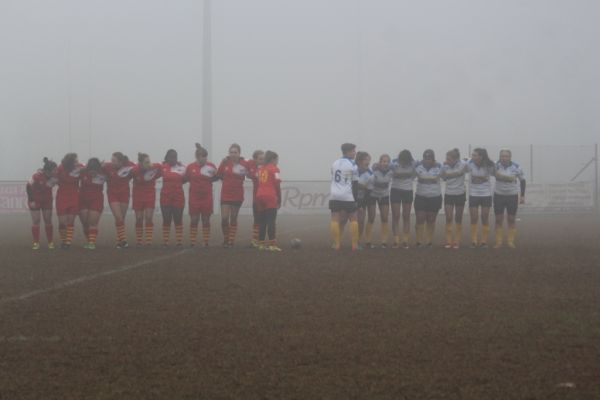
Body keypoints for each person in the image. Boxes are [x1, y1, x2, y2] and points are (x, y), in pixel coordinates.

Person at [217, 143, 249, 247]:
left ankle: (231, 240)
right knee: (224, 218)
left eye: (235, 152)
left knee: (234, 217)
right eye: (231, 152)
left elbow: (250, 173)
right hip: (226, 194)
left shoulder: (244, 164)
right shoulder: (225, 163)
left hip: (237, 194)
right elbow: (219, 175)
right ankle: (226, 238)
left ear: (239, 153)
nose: (233, 154)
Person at [186, 144, 218, 247]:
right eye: (202, 156)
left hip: (207, 197)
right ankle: (192, 241)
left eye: (205, 156)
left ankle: (206, 241)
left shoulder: (211, 166)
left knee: (206, 219)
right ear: (197, 157)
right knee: (194, 219)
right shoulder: (190, 167)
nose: (204, 158)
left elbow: (216, 176)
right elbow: (185, 178)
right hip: (194, 197)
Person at [329, 143, 360, 251]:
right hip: (347, 195)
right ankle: (354, 245)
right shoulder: (353, 165)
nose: (355, 153)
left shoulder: (335, 163)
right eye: (353, 151)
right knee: (353, 219)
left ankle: (336, 245)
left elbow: (333, 176)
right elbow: (355, 184)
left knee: (335, 220)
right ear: (347, 152)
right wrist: (355, 200)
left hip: (334, 195)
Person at [493, 149, 526, 248]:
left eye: (506, 156)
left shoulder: (516, 167)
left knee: (511, 219)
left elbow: (523, 181)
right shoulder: (495, 165)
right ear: (499, 157)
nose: (504, 158)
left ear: (510, 157)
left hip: (512, 195)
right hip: (498, 195)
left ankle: (510, 242)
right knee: (498, 219)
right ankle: (498, 242)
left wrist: (522, 196)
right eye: (502, 156)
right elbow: (484, 165)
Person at [103, 152, 135, 248]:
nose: (112, 162)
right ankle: (124, 240)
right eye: (111, 160)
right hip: (112, 194)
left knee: (122, 218)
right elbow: (93, 168)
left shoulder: (129, 166)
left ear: (121, 162)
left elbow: (140, 168)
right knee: (118, 217)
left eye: (114, 161)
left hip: (124, 194)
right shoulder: (107, 167)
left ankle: (119, 240)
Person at [26, 157, 58, 250]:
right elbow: (28, 186)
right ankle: (36, 242)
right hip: (35, 200)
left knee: (48, 220)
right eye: (55, 170)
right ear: (48, 170)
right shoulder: (36, 176)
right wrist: (31, 200)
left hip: (47, 201)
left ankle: (50, 242)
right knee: (36, 221)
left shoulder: (55, 177)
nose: (56, 171)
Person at [467, 148, 495, 248]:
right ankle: (474, 241)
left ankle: (484, 241)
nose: (472, 157)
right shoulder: (469, 163)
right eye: (472, 155)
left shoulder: (489, 165)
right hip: (473, 194)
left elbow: (495, 173)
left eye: (475, 155)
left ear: (481, 156)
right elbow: (460, 163)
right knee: (474, 218)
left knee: (484, 217)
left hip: (486, 194)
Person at [132, 153, 162, 246]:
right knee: (139, 218)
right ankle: (139, 241)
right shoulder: (134, 170)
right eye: (146, 162)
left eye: (149, 161)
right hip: (137, 195)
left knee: (149, 217)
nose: (149, 164)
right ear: (140, 163)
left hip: (149, 195)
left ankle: (148, 241)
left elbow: (164, 166)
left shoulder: (155, 167)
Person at [414, 149, 443, 247]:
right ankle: (419, 241)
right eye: (425, 158)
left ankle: (429, 241)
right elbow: (407, 166)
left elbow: (446, 175)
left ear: (433, 158)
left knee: (431, 219)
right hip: (420, 196)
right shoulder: (417, 166)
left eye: (429, 158)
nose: (427, 160)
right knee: (420, 218)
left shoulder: (439, 166)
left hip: (435, 196)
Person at [441, 148, 468, 249]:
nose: (447, 161)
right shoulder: (444, 167)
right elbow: (443, 178)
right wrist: (445, 168)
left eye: (449, 159)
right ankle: (448, 241)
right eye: (446, 159)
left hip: (460, 193)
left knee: (458, 218)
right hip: (449, 193)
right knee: (448, 217)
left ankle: (457, 241)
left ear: (456, 159)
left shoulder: (463, 165)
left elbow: (471, 166)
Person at [56, 153, 84, 249]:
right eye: (75, 161)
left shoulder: (80, 167)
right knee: (62, 222)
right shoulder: (60, 168)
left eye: (77, 161)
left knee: (71, 221)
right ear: (70, 162)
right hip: (62, 197)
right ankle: (64, 240)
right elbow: (52, 175)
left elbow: (91, 168)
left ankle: (67, 242)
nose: (77, 162)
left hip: (74, 196)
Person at [255, 151, 282, 251]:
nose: (277, 162)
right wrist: (279, 198)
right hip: (270, 196)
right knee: (271, 221)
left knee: (262, 222)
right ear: (273, 159)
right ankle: (272, 245)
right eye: (277, 160)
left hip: (259, 196)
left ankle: (261, 244)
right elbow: (277, 185)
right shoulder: (275, 169)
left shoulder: (260, 169)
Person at [390, 150, 416, 249]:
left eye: (406, 162)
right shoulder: (394, 163)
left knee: (406, 216)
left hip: (408, 190)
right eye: (402, 161)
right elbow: (383, 167)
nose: (404, 163)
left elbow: (415, 173)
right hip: (395, 190)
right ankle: (396, 241)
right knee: (396, 216)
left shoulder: (413, 163)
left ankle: (405, 240)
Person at [161, 149, 187, 246]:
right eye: (171, 157)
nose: (173, 159)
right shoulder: (162, 167)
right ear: (167, 158)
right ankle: (166, 241)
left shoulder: (183, 168)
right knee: (166, 219)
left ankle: (179, 241)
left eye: (175, 157)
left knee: (178, 219)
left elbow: (187, 178)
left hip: (178, 197)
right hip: (165, 197)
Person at [79, 158, 106, 250]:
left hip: (97, 199)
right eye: (91, 171)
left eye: (95, 171)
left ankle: (92, 243)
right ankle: (89, 240)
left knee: (92, 222)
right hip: (83, 200)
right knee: (85, 223)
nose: (93, 173)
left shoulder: (104, 172)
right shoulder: (82, 172)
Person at [369, 154, 393, 248]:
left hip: (384, 195)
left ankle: (384, 241)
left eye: (387, 161)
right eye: (383, 161)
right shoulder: (374, 169)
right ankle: (368, 241)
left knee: (384, 218)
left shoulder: (391, 171)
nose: (385, 163)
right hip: (373, 195)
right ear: (380, 162)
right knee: (371, 217)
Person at [355, 152, 373, 249]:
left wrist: (361, 205)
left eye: (369, 160)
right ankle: (337, 241)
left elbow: (367, 190)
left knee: (361, 221)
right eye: (366, 159)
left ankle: (357, 241)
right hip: (349, 199)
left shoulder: (370, 174)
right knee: (343, 219)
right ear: (359, 160)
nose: (368, 162)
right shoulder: (353, 170)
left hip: (360, 200)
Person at [247, 150, 265, 247]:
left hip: (267, 198)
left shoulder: (268, 169)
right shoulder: (253, 169)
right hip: (257, 199)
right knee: (257, 219)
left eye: (263, 158)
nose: (262, 160)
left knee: (266, 220)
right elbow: (246, 162)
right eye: (260, 159)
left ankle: (262, 240)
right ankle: (255, 240)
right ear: (255, 160)